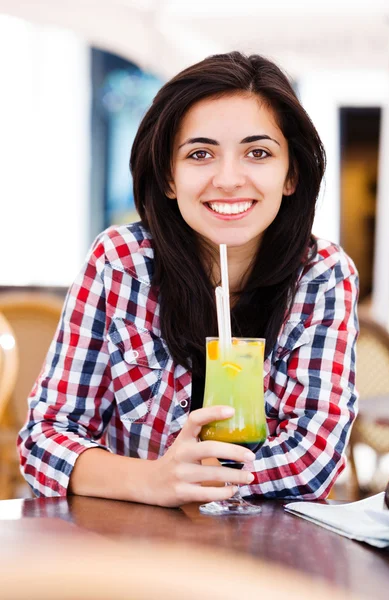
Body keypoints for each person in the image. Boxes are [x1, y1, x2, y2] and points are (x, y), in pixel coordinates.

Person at [18, 51, 359, 506]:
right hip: (128, 546)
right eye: (200, 154)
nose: (228, 178)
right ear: (168, 177)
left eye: (258, 153)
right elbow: (45, 437)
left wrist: (197, 483)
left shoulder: (322, 277)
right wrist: (153, 480)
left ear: (291, 173)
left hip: (265, 556)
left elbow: (312, 460)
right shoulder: (121, 262)